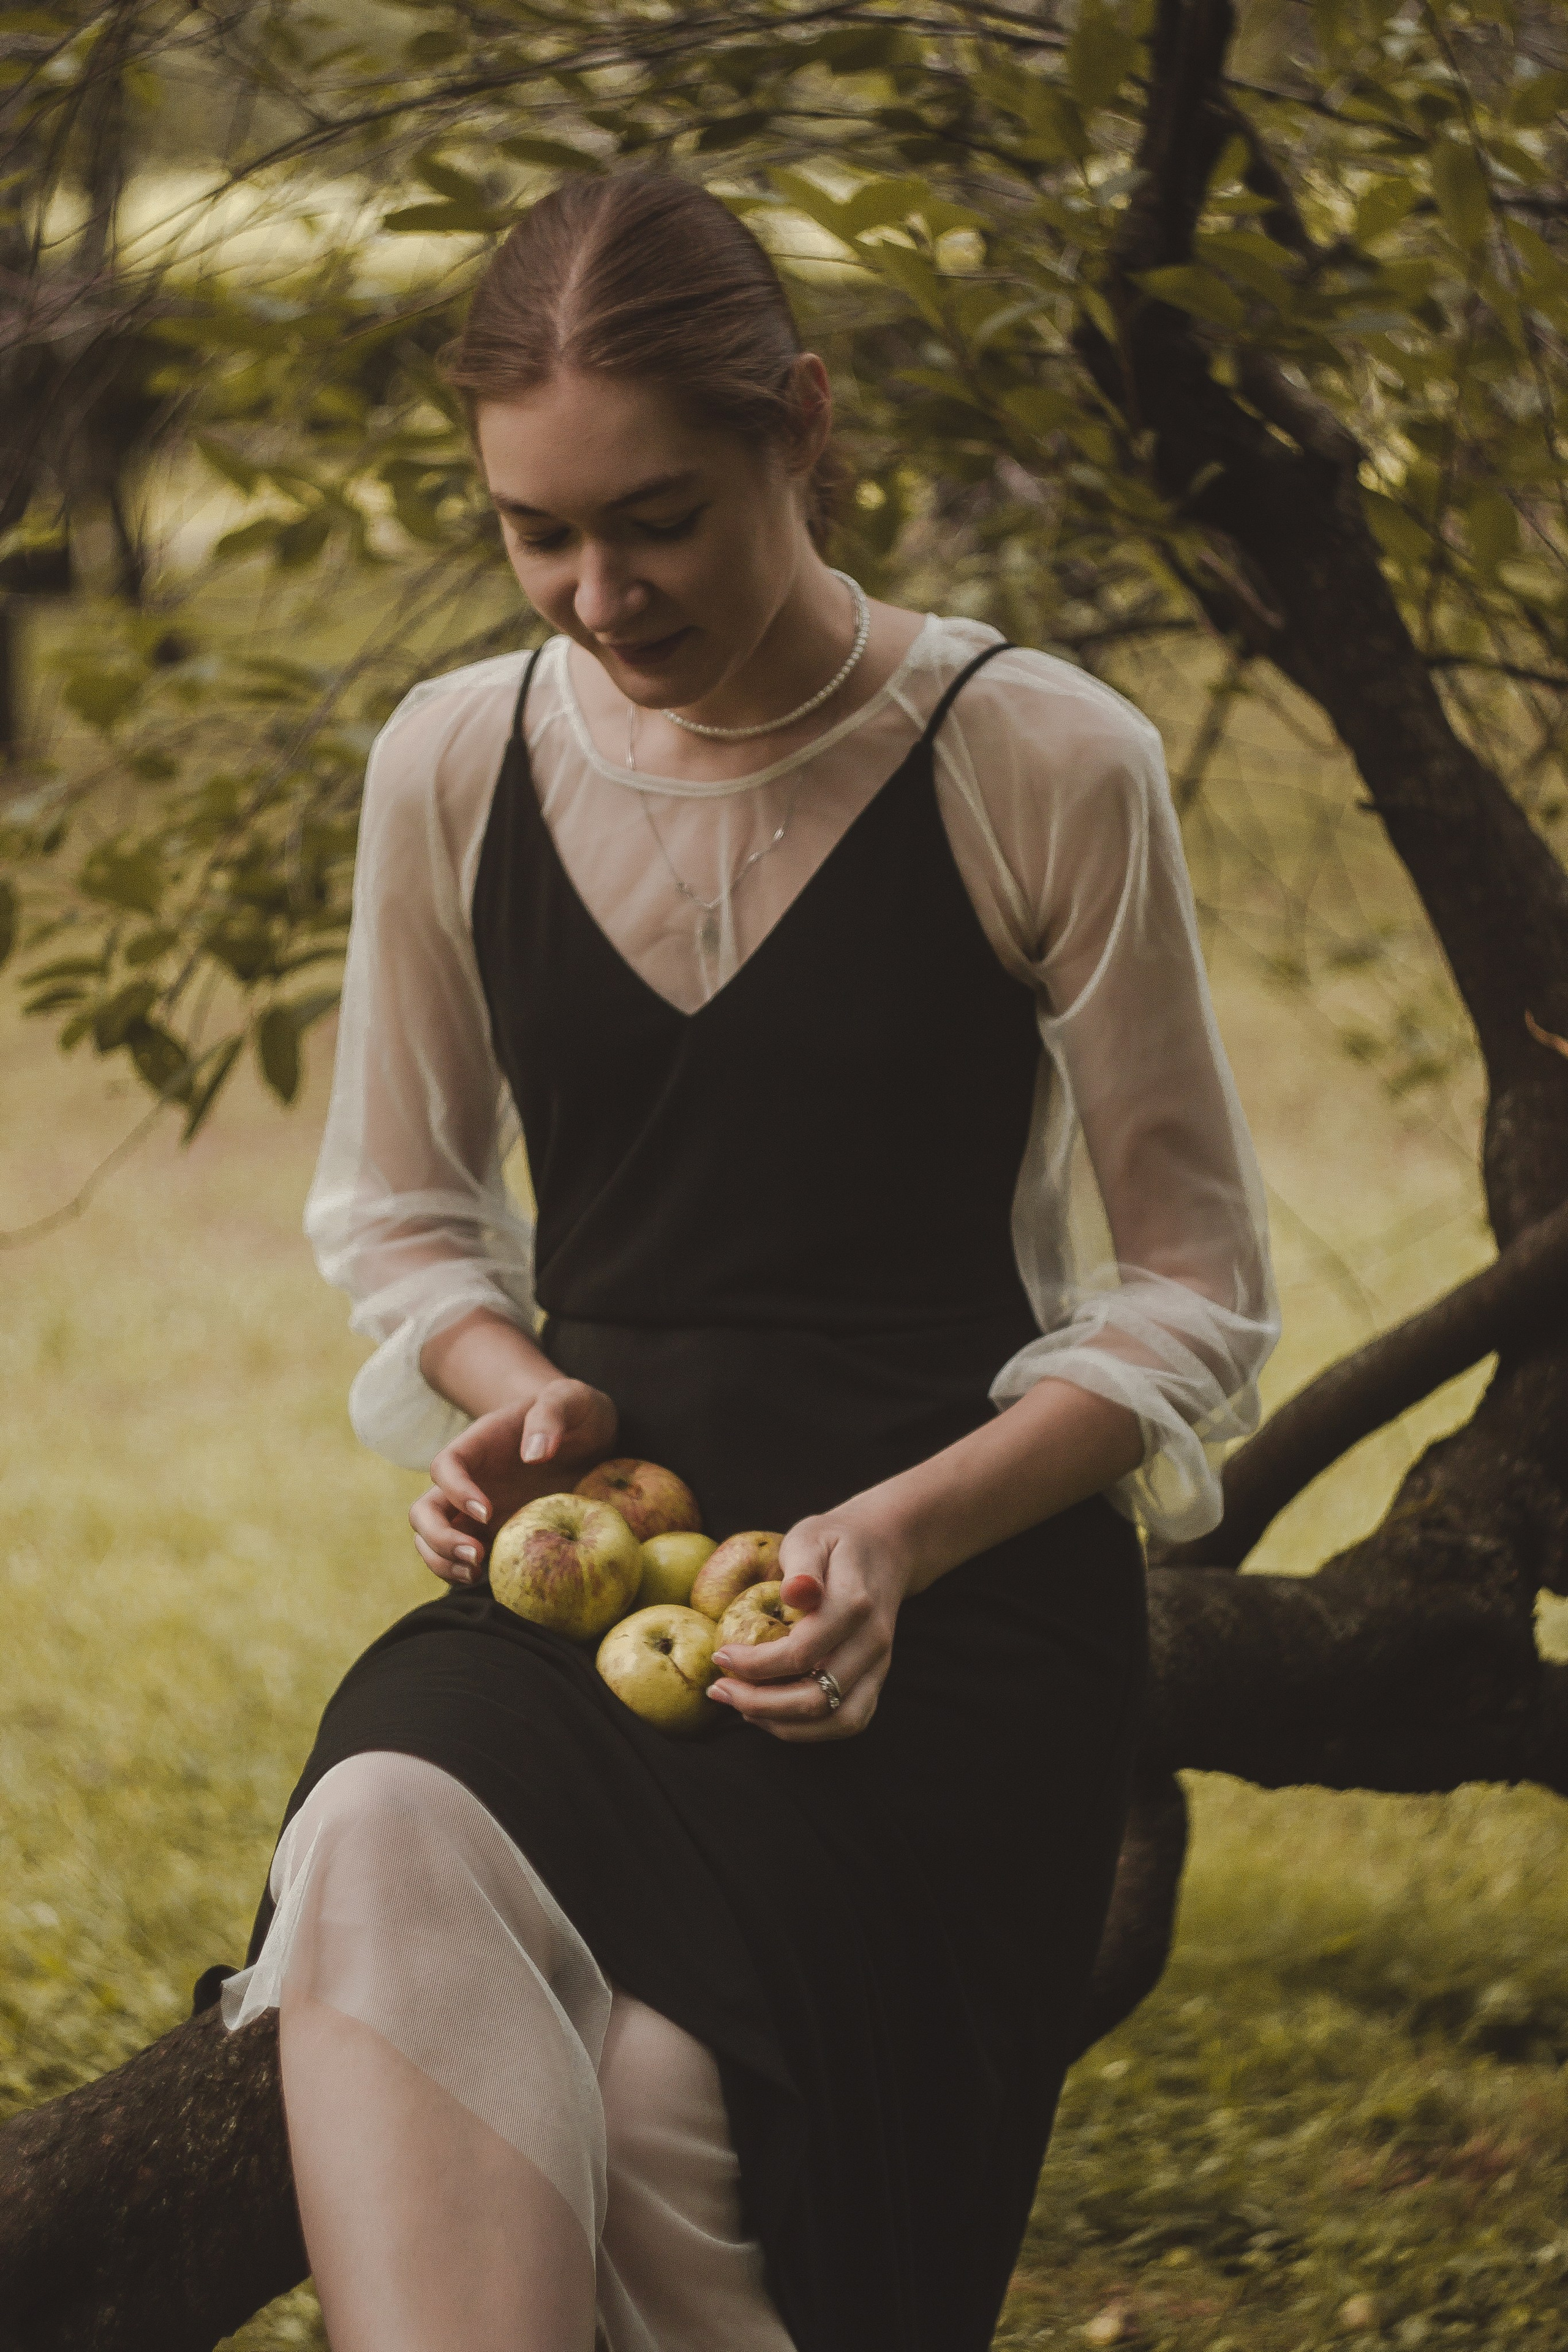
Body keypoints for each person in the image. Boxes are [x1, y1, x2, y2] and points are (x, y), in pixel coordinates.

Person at [213, 169, 1278, 2352]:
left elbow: (1194, 1286)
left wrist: (902, 1531)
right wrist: (511, 1395)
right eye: (538, 532)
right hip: (594, 1583)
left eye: (659, 516)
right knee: (378, 1840)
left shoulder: (1041, 760)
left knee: (669, 2109)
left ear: (803, 423)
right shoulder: (456, 763)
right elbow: (396, 1204)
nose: (597, 591)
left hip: (943, 1631)